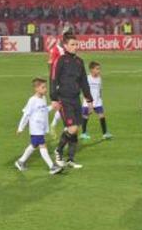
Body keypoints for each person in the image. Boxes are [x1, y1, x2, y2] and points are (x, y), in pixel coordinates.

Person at [50, 33, 91, 169]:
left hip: (76, 99)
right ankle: (58, 150)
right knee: (72, 128)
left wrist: (89, 99)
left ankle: (70, 159)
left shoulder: (79, 62)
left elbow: (84, 81)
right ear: (66, 46)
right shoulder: (60, 60)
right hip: (64, 99)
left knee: (75, 129)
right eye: (72, 45)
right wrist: (54, 98)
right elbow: (53, 79)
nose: (75, 47)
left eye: (76, 44)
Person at [15, 78, 63, 175]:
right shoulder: (32, 100)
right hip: (35, 128)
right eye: (43, 87)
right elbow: (26, 115)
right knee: (42, 145)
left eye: (45, 87)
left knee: (34, 145)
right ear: (36, 88)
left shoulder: (43, 99)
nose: (45, 89)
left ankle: (20, 162)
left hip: (41, 128)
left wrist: (52, 107)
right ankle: (52, 166)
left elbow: (43, 110)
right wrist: (20, 128)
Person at [81, 61, 112, 140]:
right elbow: (84, 90)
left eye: (99, 69)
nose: (99, 71)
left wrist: (100, 98)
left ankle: (105, 133)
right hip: (88, 102)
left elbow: (100, 89)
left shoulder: (99, 78)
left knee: (102, 115)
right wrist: (87, 101)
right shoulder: (87, 78)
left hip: (97, 101)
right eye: (97, 69)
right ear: (91, 70)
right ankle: (83, 133)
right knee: (85, 116)